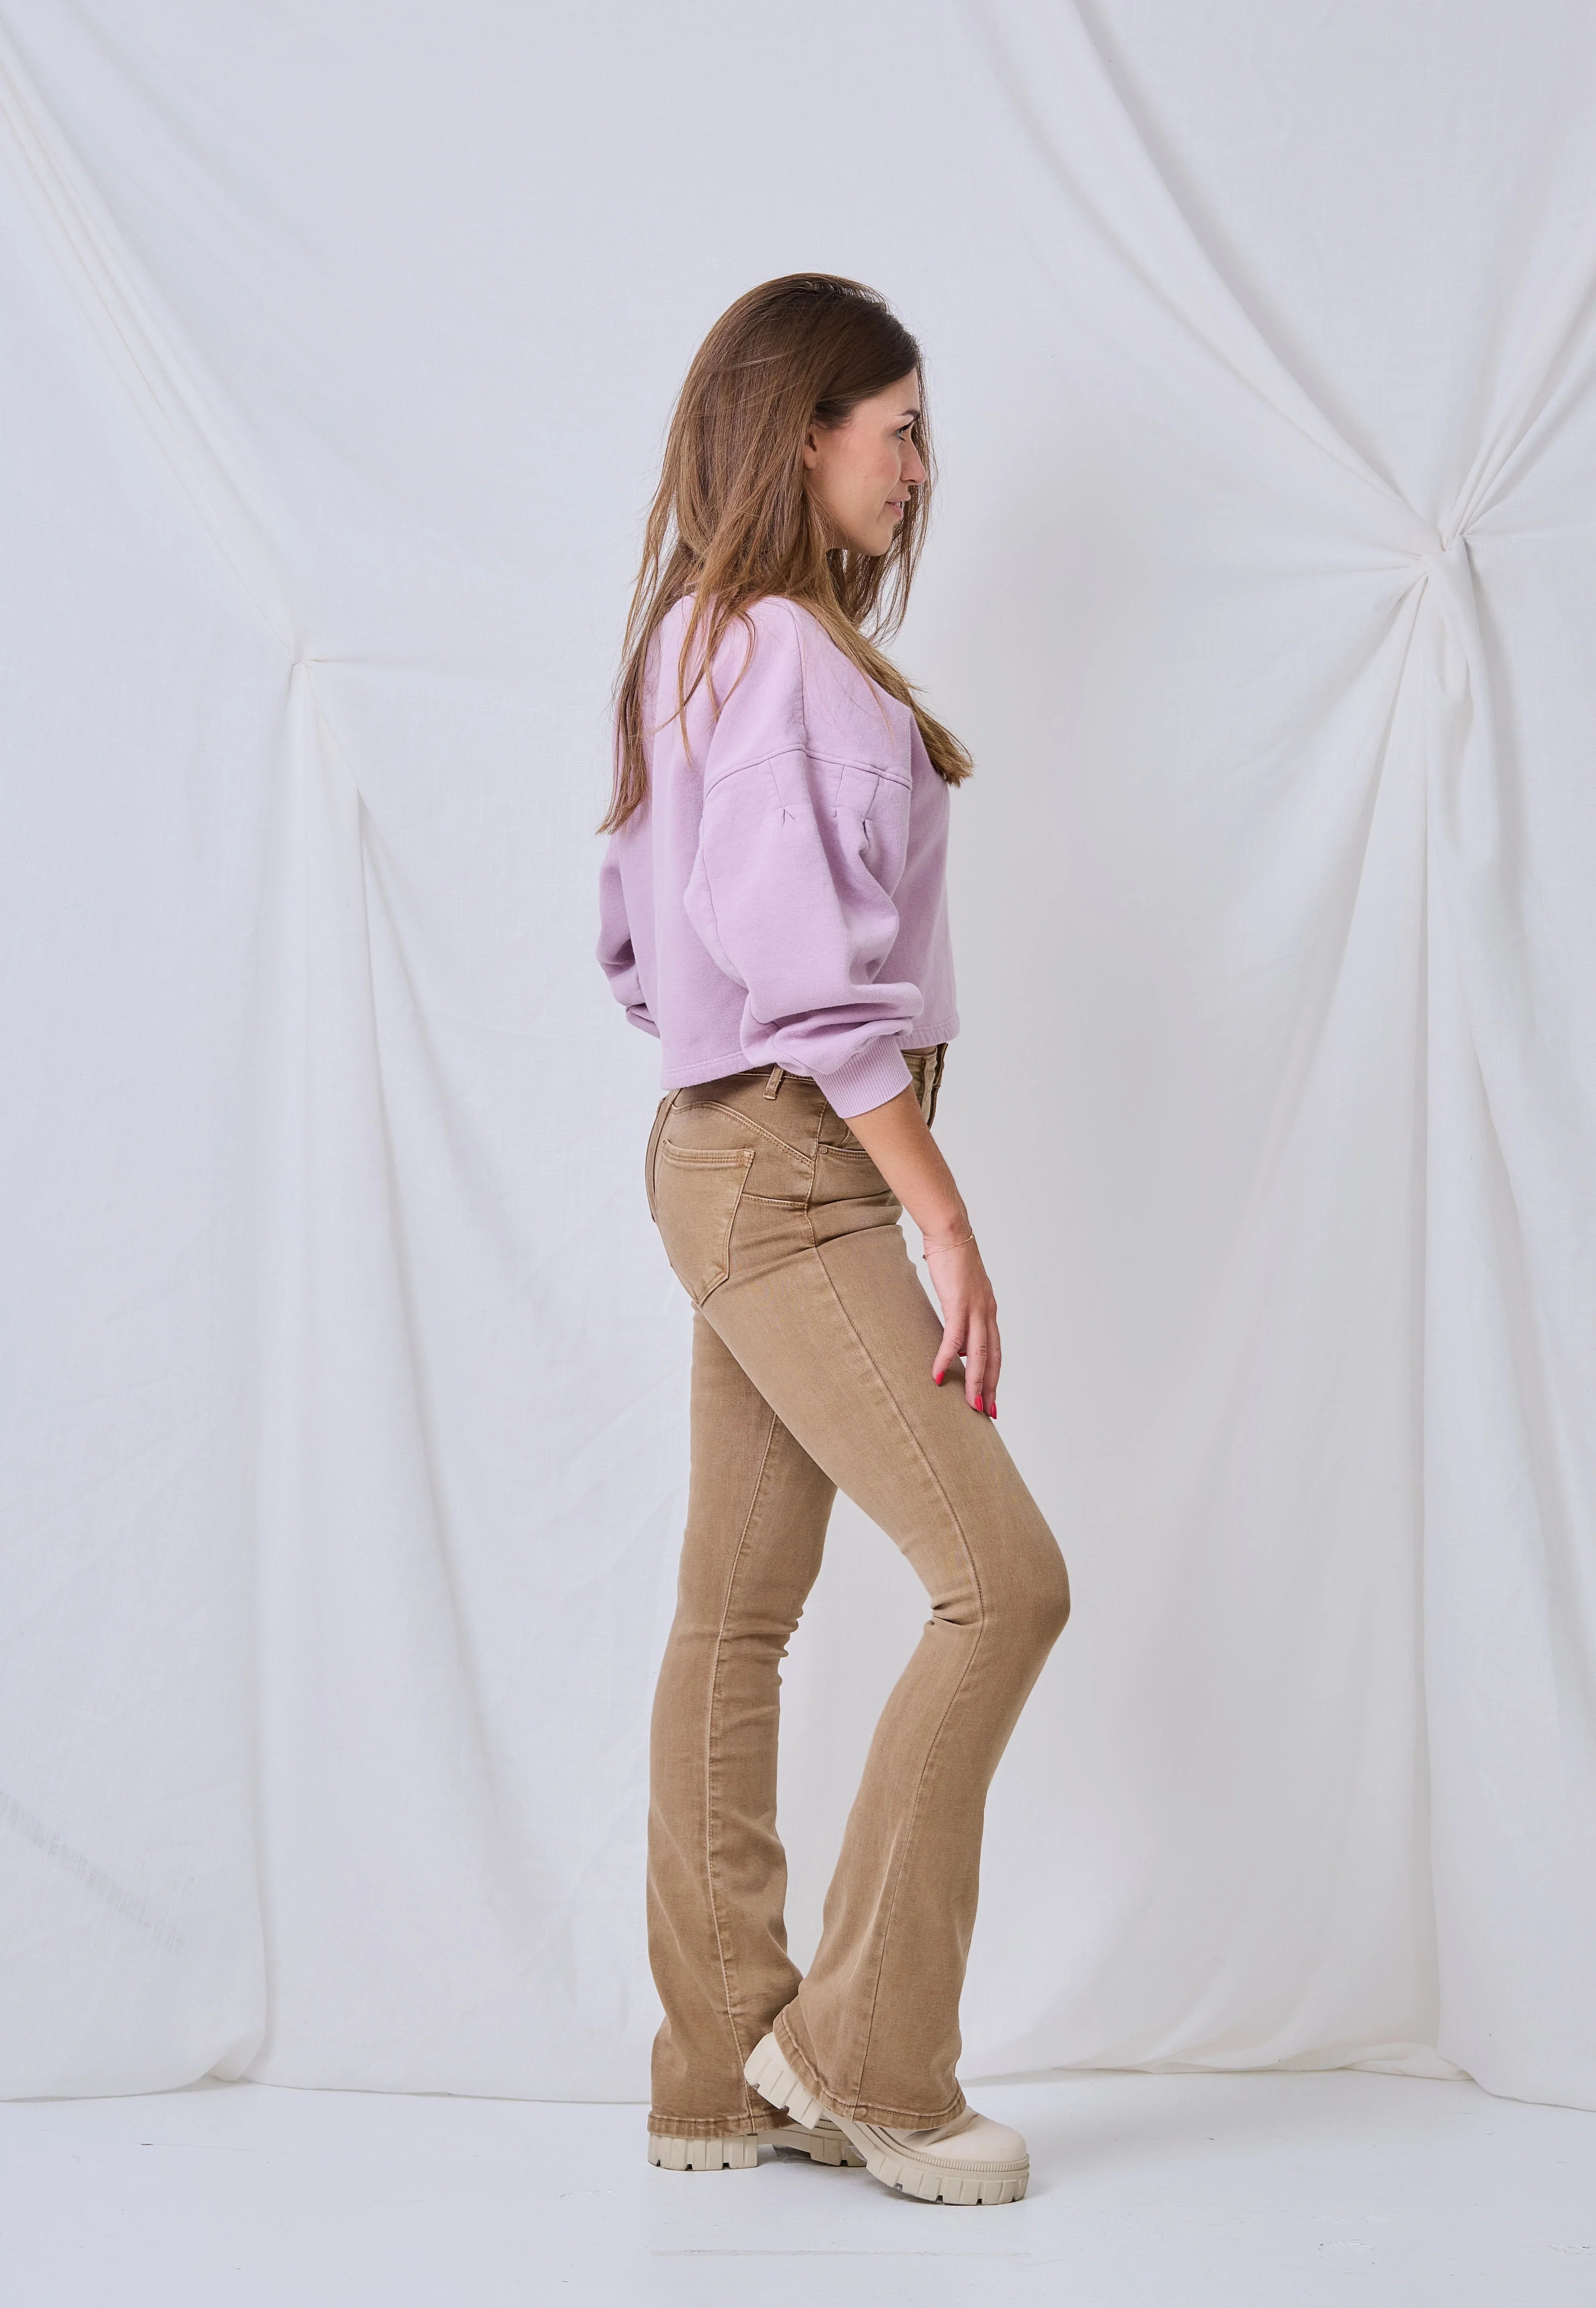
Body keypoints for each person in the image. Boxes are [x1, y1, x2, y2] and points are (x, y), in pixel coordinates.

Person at [596, 273, 1070, 2208]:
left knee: (736, 1614)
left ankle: (724, 2068)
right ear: (803, 434)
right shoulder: (786, 654)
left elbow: (644, 950)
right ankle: (865, 2057)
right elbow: (797, 970)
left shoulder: (690, 643)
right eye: (899, 430)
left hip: (725, 1149)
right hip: (794, 1163)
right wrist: (939, 1214)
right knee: (1003, 1586)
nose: (920, 470)